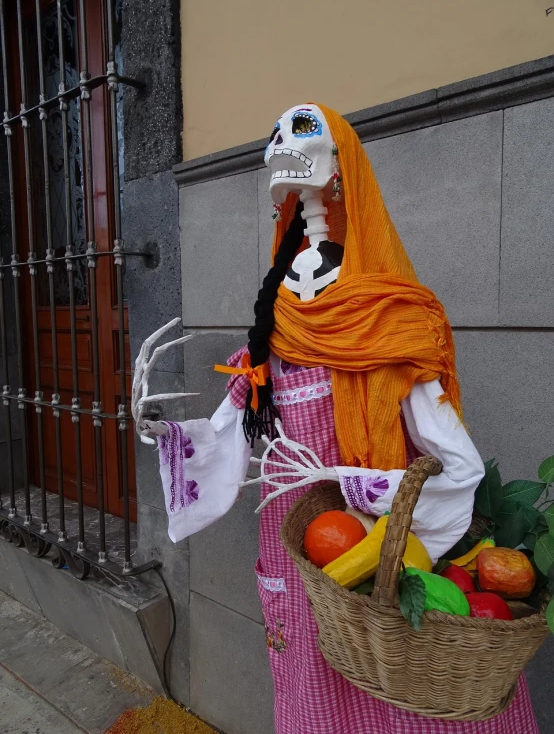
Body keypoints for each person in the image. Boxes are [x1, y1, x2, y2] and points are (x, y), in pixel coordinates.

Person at [133, 104, 538, 733]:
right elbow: (233, 430)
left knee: (396, 688)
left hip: (378, 543)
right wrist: (173, 441)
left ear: (341, 168)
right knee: (313, 690)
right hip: (294, 545)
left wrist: (376, 500)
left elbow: (452, 459)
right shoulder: (274, 327)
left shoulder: (385, 320)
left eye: (303, 144)